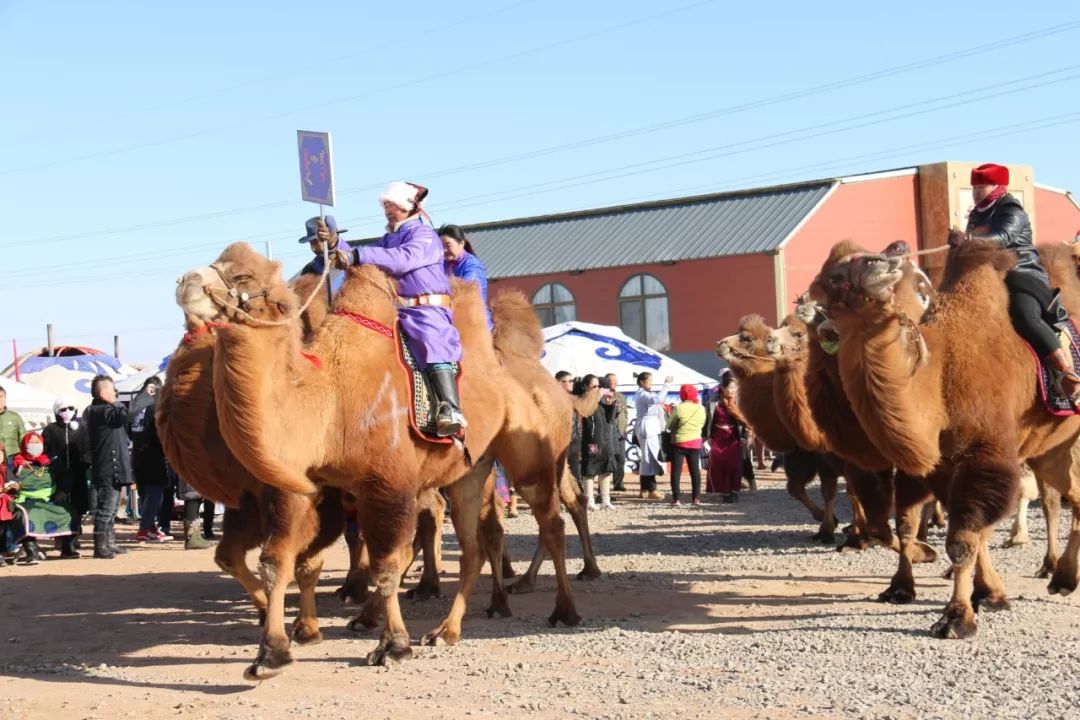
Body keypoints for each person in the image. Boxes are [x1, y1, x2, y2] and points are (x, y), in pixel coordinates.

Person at [951, 163, 1080, 408]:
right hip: (989, 276)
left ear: (997, 186)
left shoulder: (1012, 209)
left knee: (1025, 316)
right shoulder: (977, 213)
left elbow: (1002, 238)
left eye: (982, 186)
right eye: (975, 187)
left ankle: (1067, 374)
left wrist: (968, 239)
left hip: (1021, 275)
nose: (977, 191)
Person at [350, 182, 466, 436]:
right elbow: (370, 256)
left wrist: (357, 255)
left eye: (393, 206)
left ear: (408, 207)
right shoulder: (389, 238)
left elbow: (401, 260)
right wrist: (335, 244)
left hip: (427, 311)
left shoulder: (424, 236)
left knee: (431, 339)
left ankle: (450, 407)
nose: (388, 211)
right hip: (397, 310)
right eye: (386, 206)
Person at [84, 375, 133, 559]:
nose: (116, 394)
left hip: (115, 465)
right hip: (107, 467)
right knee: (105, 508)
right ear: (104, 393)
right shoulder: (99, 410)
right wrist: (116, 402)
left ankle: (109, 542)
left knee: (112, 509)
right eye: (113, 390)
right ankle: (100, 546)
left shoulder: (103, 410)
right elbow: (125, 415)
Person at [10, 431, 78, 561]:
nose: (35, 445)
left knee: (69, 512)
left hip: (49, 499)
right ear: (24, 444)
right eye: (31, 442)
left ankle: (67, 548)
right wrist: (13, 489)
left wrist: (62, 493)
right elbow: (7, 479)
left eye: (37, 442)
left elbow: (66, 476)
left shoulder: (51, 460)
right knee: (27, 515)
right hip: (24, 499)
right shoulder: (15, 462)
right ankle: (32, 550)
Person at [42, 397, 90, 549]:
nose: (67, 412)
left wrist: (85, 463)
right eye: (63, 409)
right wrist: (54, 462)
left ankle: (74, 535)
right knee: (60, 504)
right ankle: (60, 536)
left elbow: (89, 448)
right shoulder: (50, 430)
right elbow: (45, 450)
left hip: (78, 472)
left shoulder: (82, 427)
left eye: (70, 408)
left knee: (78, 504)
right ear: (57, 412)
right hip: (58, 475)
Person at [130, 391, 172, 543]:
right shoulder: (155, 407)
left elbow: (129, 431)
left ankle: (151, 527)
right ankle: (144, 528)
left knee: (147, 494)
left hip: (138, 455)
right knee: (155, 493)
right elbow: (160, 433)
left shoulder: (135, 408)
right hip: (153, 456)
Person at [439, 224, 493, 329]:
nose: (444, 250)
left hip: (474, 321)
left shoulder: (472, 265)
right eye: (441, 246)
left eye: (448, 245)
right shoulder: (442, 264)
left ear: (461, 243)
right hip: (449, 317)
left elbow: (468, 290)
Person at [705, 373, 746, 502]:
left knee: (734, 465)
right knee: (719, 464)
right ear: (723, 388)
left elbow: (746, 422)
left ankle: (734, 491)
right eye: (730, 388)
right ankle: (723, 490)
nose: (733, 391)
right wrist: (706, 437)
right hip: (718, 438)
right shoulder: (714, 403)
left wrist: (745, 437)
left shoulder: (739, 403)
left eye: (735, 388)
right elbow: (708, 422)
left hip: (734, 437)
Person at [580, 375, 618, 510]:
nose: (598, 389)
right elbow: (586, 411)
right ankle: (589, 500)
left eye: (599, 386)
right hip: (591, 441)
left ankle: (605, 499)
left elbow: (610, 420)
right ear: (586, 387)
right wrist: (597, 397)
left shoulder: (600, 400)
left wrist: (611, 405)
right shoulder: (584, 399)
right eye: (594, 386)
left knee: (606, 469)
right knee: (590, 470)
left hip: (605, 439)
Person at [666, 384, 707, 505]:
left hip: (680, 442)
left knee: (676, 471)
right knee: (695, 471)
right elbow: (703, 424)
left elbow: (668, 425)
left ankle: (676, 498)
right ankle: (696, 498)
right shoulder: (701, 408)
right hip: (695, 442)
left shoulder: (679, 408)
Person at [604, 373, 628, 492]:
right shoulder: (602, 396)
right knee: (608, 459)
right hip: (609, 433)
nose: (615, 383)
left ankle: (618, 483)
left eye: (616, 381)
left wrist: (625, 428)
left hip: (620, 432)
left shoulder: (621, 396)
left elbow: (625, 413)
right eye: (612, 381)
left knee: (621, 458)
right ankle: (604, 488)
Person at [0, 387, 27, 469]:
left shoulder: (15, 417)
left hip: (14, 459)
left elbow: (23, 438)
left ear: (5, 398)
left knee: (13, 481)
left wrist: (23, 457)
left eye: (1, 396)